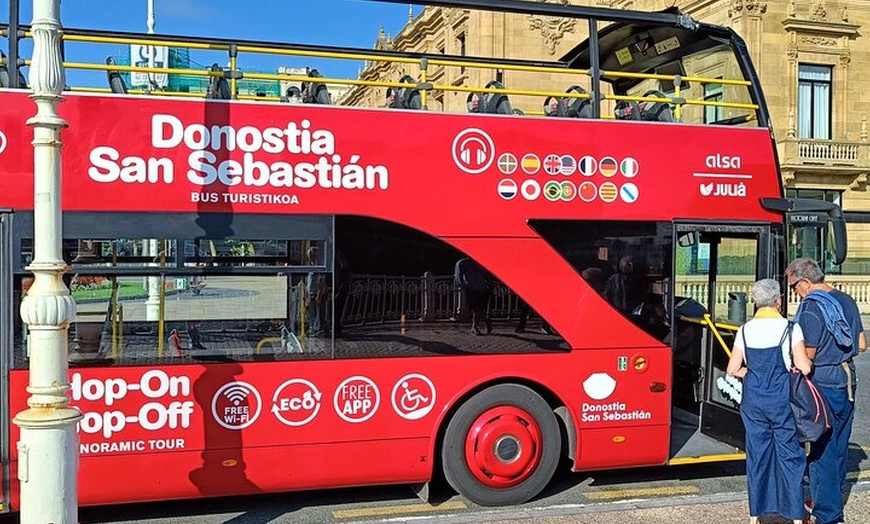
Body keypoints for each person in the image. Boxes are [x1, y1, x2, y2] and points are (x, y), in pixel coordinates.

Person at [786, 258, 866, 524]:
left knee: (822, 451)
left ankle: (828, 515)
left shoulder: (811, 307)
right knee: (840, 447)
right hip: (847, 380)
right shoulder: (846, 300)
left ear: (805, 282)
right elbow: (862, 344)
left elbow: (807, 358)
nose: (795, 294)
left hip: (823, 382)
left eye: (794, 288)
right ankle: (825, 500)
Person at [726, 278, 812, 524]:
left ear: (755, 302)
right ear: (778, 301)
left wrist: (751, 375)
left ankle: (756, 513)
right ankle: (795, 514)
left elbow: (733, 369)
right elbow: (804, 367)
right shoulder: (790, 328)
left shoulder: (745, 329)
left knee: (758, 455)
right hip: (781, 399)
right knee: (790, 455)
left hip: (753, 400)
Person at [454, 257, 492, 335]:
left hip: (482, 288)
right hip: (471, 288)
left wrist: (490, 284)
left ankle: (475, 326)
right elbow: (459, 276)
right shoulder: (462, 263)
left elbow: (486, 274)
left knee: (479, 308)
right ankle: (481, 323)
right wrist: (464, 286)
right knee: (475, 308)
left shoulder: (480, 262)